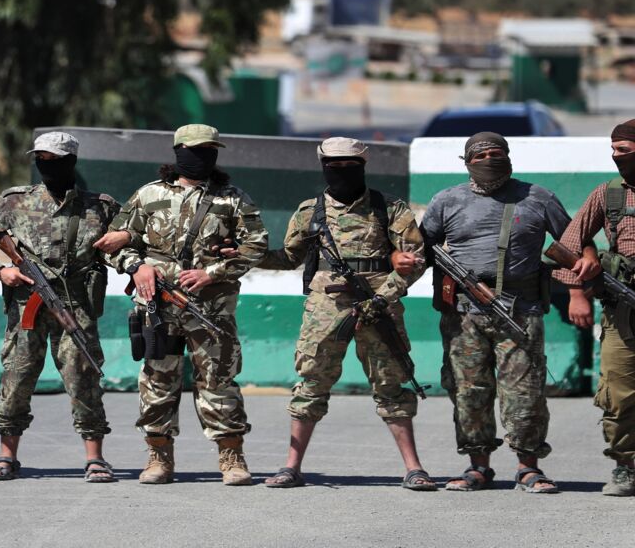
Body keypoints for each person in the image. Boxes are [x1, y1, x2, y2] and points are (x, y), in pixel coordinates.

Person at [259, 137, 436, 490]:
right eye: (333, 165)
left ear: (363, 166)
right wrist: (247, 255)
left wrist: (383, 299)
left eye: (349, 165)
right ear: (323, 166)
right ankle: (291, 467)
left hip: (379, 306)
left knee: (390, 384)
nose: (341, 171)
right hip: (324, 308)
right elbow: (290, 258)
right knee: (311, 382)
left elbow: (414, 261)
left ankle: (414, 468)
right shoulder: (310, 211)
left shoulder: (389, 209)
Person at [106, 124, 268, 485]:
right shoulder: (148, 195)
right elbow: (115, 244)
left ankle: (231, 456)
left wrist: (212, 273)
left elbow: (256, 245)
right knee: (157, 380)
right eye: (194, 151)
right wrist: (137, 266)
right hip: (157, 307)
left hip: (211, 309)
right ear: (178, 152)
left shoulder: (233, 199)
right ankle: (158, 456)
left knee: (219, 380)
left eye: (209, 150)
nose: (201, 157)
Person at [0, 131, 121, 482]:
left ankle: (95, 458)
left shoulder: (101, 206)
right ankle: (6, 456)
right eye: (41, 160)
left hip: (75, 305)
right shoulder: (12, 202)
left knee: (84, 378)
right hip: (25, 304)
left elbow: (126, 244)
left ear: (72, 161)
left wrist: (128, 245)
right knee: (17, 377)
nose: (46, 166)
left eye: (54, 160)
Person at [421, 132, 568, 493]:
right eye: (481, 155)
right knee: (468, 391)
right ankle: (478, 466)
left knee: (524, 392)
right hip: (463, 314)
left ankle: (528, 468)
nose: (490, 159)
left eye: (496, 153)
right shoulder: (447, 200)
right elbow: (421, 249)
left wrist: (577, 289)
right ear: (467, 161)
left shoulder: (538, 197)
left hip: (520, 311)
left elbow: (572, 245)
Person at [555, 119, 635, 497]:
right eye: (614, 150)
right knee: (618, 392)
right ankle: (626, 467)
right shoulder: (608, 195)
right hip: (622, 312)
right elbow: (568, 245)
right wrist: (577, 293)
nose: (616, 157)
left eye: (624, 150)